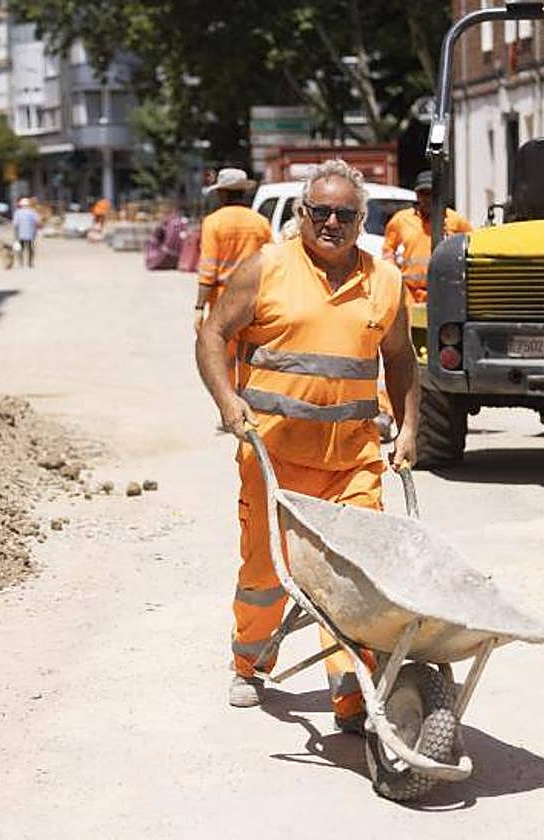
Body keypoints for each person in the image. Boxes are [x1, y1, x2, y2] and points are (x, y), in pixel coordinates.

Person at [195, 159, 419, 732]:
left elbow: (400, 359)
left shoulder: (385, 282)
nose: (332, 223)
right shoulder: (266, 269)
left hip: (353, 463)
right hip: (274, 459)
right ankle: (249, 664)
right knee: (265, 573)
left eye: (345, 214)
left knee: (356, 577)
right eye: (320, 212)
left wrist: (410, 428)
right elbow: (213, 333)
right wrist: (228, 402)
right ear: (301, 214)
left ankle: (352, 694)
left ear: (361, 219)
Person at [194, 167, 272, 333]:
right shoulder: (261, 222)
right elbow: (271, 263)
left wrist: (199, 307)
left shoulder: (213, 222)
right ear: (244, 192)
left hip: (223, 297)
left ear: (222, 193)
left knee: (221, 348)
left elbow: (208, 272)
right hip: (255, 296)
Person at [381, 170, 472, 302]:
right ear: (417, 195)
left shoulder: (455, 220)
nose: (427, 199)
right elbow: (388, 250)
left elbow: (471, 246)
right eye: (423, 194)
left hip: (445, 293)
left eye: (431, 194)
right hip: (410, 294)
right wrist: (394, 274)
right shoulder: (401, 219)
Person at [12, 197, 41, 268]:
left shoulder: (17, 213)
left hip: (20, 234)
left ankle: (21, 263)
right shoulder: (32, 212)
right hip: (31, 234)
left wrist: (15, 234)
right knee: (30, 249)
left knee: (20, 249)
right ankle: (30, 263)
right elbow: (37, 222)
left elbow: (15, 224)